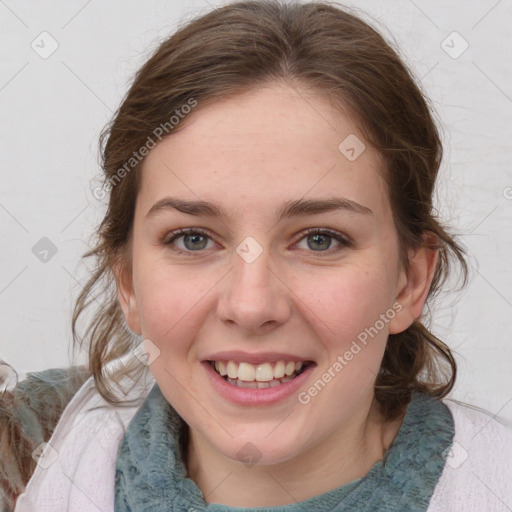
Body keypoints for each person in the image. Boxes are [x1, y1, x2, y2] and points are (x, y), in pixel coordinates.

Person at [1, 1, 511, 511]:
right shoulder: (28, 447)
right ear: (128, 281)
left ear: (409, 282)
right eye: (193, 239)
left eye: (320, 239)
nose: (250, 306)